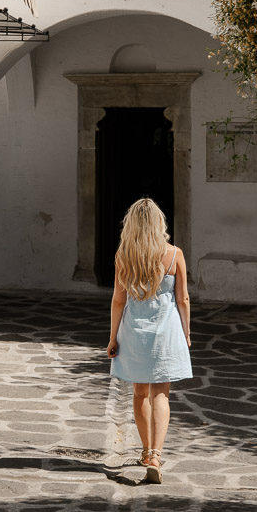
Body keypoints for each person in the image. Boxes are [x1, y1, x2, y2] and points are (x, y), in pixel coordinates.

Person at [106, 197, 192, 484]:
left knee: (139, 392)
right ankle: (155, 455)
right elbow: (182, 299)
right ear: (159, 223)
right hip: (166, 332)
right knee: (161, 394)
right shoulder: (174, 254)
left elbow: (119, 300)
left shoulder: (124, 257)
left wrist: (112, 338)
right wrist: (187, 332)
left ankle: (144, 451)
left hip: (133, 332)